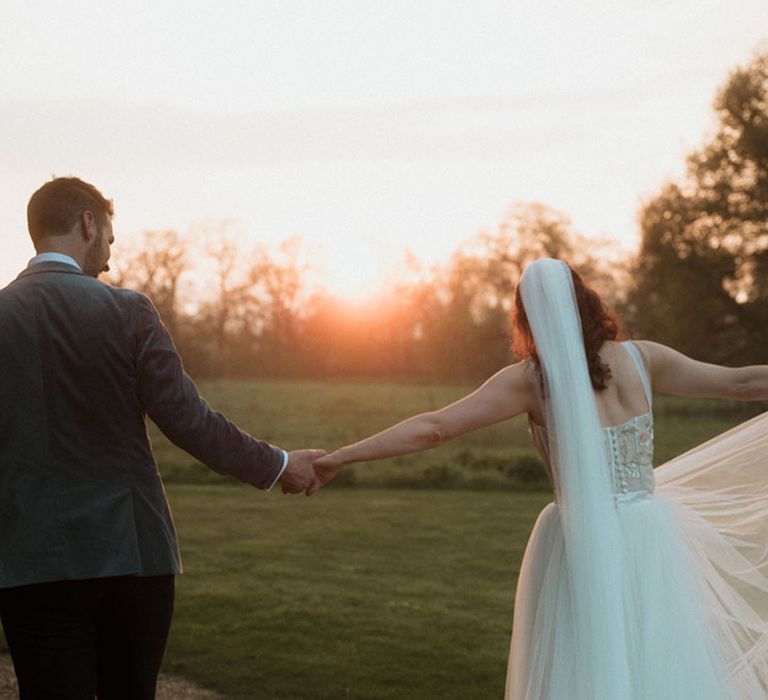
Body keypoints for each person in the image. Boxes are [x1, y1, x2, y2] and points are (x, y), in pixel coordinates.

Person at [311, 257, 768, 698]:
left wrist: (341, 457)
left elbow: (435, 428)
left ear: (528, 319)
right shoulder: (644, 359)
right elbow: (741, 384)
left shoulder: (531, 381)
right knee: (657, 661)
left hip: (581, 541)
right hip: (651, 535)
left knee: (584, 666)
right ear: (587, 301)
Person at [0, 177, 323, 699]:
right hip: (131, 555)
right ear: (88, 223)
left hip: (30, 563)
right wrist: (280, 465)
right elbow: (188, 420)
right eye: (108, 235)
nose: (108, 256)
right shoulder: (128, 312)